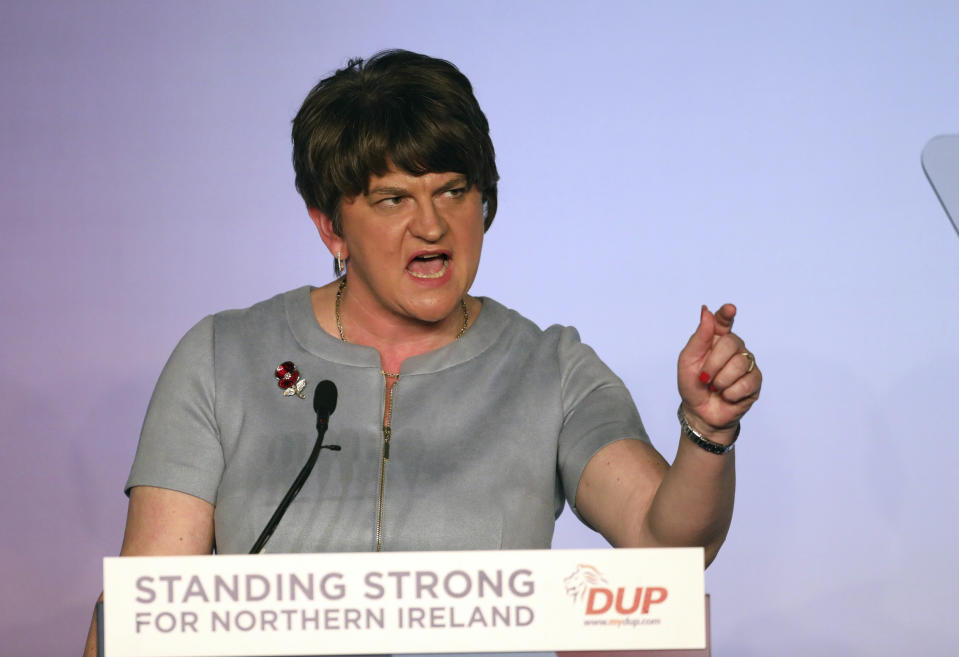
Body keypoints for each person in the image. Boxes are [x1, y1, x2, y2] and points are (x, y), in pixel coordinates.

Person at [83, 49, 761, 654]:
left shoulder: (547, 367)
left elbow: (667, 548)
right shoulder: (221, 356)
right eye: (391, 199)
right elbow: (147, 610)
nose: (431, 224)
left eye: (452, 190)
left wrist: (708, 429)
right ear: (330, 225)